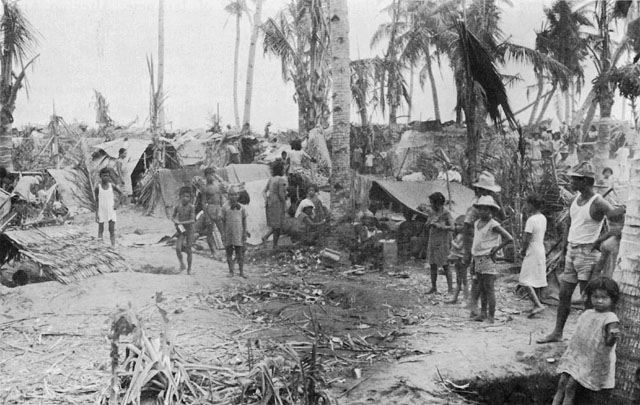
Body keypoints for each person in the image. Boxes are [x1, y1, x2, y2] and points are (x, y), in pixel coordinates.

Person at [538, 161, 625, 343]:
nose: (570, 182)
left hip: (587, 253)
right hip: (572, 250)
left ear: (585, 181)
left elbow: (618, 223)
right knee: (564, 295)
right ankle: (558, 332)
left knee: (588, 298)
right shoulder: (574, 200)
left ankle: (586, 338)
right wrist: (563, 251)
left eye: (574, 179)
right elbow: (569, 225)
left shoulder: (598, 202)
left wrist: (598, 241)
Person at [552, 277, 620, 405]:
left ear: (612, 299)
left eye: (604, 298)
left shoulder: (610, 318)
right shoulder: (587, 313)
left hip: (593, 358)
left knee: (570, 386)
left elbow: (611, 340)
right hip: (578, 355)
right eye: (595, 297)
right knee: (562, 382)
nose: (599, 301)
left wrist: (614, 336)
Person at [463, 171, 504, 315]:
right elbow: (467, 228)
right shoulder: (477, 207)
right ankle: (476, 310)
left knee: (486, 283)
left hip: (488, 250)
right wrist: (468, 251)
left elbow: (502, 219)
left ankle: (482, 312)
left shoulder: (491, 205)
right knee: (478, 281)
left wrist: (498, 202)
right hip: (478, 249)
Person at [469, 196, 513, 323]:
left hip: (487, 258)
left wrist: (496, 249)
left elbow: (509, 238)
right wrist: (473, 258)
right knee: (481, 287)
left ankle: (491, 316)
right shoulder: (477, 223)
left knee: (489, 288)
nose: (482, 211)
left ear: (491, 211)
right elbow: (476, 241)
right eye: (480, 209)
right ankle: (483, 313)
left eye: (485, 209)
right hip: (478, 257)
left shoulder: (493, 224)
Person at [519, 194, 547, 316]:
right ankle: (538, 303)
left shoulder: (531, 220)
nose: (525, 206)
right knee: (537, 277)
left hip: (532, 249)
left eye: (527, 204)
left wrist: (523, 250)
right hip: (540, 248)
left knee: (525, 280)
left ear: (531, 204)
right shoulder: (543, 218)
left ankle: (537, 305)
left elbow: (527, 238)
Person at [424, 192, 454, 295]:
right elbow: (427, 224)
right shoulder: (431, 212)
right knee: (433, 264)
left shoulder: (446, 213)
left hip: (443, 241)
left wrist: (441, 226)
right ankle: (433, 287)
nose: (431, 204)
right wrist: (429, 222)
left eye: (432, 202)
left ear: (438, 203)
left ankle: (450, 288)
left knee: (446, 265)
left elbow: (453, 227)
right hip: (433, 239)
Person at [196, 167, 225, 258]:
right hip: (210, 209)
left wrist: (222, 209)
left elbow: (221, 198)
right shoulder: (205, 188)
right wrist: (207, 216)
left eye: (213, 175)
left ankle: (227, 249)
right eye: (210, 175)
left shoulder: (218, 186)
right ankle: (213, 251)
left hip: (218, 208)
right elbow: (203, 202)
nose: (212, 177)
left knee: (223, 230)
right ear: (206, 176)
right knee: (209, 231)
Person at [221, 187, 248, 277]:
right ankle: (231, 271)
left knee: (239, 253)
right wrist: (223, 234)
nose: (233, 196)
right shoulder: (225, 207)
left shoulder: (242, 208)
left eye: (235, 194)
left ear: (238, 195)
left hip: (238, 233)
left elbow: (244, 221)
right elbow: (222, 221)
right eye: (231, 195)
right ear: (228, 196)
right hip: (228, 233)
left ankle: (241, 272)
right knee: (229, 253)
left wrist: (244, 233)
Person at [262, 160, 287, 248]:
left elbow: (264, 191)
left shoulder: (271, 179)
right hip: (277, 204)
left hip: (270, 203)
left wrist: (266, 199)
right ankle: (275, 245)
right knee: (278, 225)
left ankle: (266, 237)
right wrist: (285, 204)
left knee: (275, 225)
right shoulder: (281, 180)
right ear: (280, 169)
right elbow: (281, 194)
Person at [94, 167, 121, 247]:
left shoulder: (112, 186)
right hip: (101, 210)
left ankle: (113, 246)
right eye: (104, 176)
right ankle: (100, 246)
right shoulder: (97, 188)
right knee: (100, 229)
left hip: (111, 210)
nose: (106, 177)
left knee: (111, 229)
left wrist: (117, 203)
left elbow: (121, 194)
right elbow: (96, 201)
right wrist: (96, 214)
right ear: (100, 176)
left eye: (108, 176)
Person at [172, 186, 195, 274]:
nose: (185, 198)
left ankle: (189, 269)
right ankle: (182, 264)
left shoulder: (191, 207)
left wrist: (181, 222)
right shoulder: (178, 206)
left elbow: (192, 220)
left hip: (189, 230)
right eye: (184, 196)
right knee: (178, 248)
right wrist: (175, 221)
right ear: (180, 196)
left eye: (187, 197)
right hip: (181, 230)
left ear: (190, 198)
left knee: (188, 250)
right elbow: (173, 216)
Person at [445, 215, 468, 304]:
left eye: (460, 225)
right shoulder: (458, 235)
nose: (458, 227)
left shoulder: (464, 236)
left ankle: (466, 299)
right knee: (458, 279)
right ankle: (455, 298)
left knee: (464, 280)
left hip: (461, 258)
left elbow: (459, 246)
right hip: (456, 258)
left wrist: (452, 242)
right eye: (456, 225)